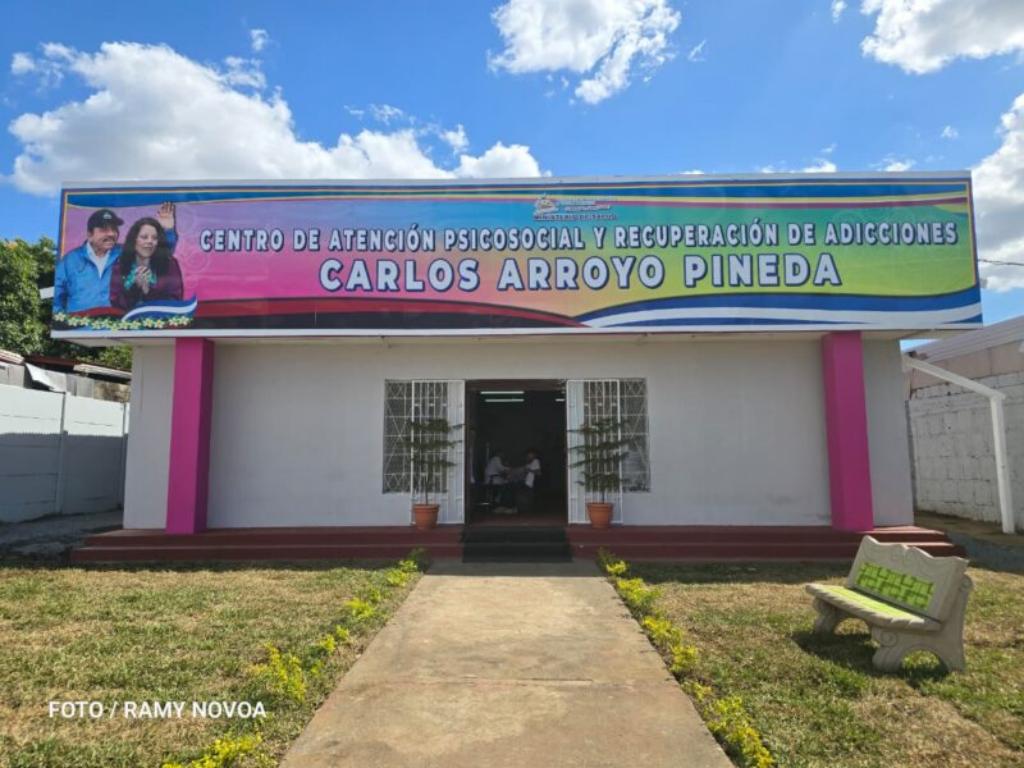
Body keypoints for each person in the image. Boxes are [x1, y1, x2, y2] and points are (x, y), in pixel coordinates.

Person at [54, 203, 177, 314]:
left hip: (117, 325)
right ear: (89, 234)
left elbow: (158, 254)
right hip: (80, 328)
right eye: (104, 229)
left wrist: (168, 231)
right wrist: (61, 322)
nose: (111, 234)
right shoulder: (70, 260)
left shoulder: (125, 253)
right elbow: (57, 296)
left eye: (114, 229)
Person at [109, 216, 183, 310]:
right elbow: (115, 303)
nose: (149, 241)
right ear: (134, 240)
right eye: (144, 237)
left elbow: (175, 301)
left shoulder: (170, 265)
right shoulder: (120, 265)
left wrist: (148, 291)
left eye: (154, 238)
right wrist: (135, 288)